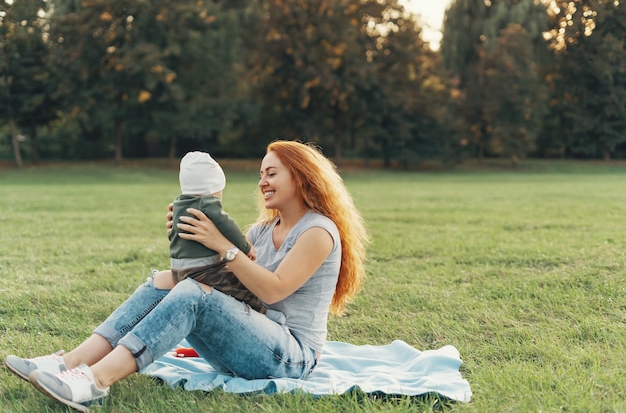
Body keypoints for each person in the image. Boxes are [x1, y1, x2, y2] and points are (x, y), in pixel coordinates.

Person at [4, 140, 369, 412]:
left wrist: (223, 247)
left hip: (291, 358)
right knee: (166, 280)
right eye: (261, 174)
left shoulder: (317, 232)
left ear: (302, 178)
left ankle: (96, 381)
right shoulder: (260, 232)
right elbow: (233, 288)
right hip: (252, 346)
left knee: (194, 292)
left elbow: (273, 292)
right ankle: (68, 364)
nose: (262, 182)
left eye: (271, 173)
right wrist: (190, 242)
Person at [169, 150, 264, 313]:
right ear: (213, 187)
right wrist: (246, 248)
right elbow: (227, 226)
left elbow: (173, 233)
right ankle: (264, 313)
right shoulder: (207, 202)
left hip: (177, 268)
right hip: (203, 270)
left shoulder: (179, 203)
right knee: (239, 288)